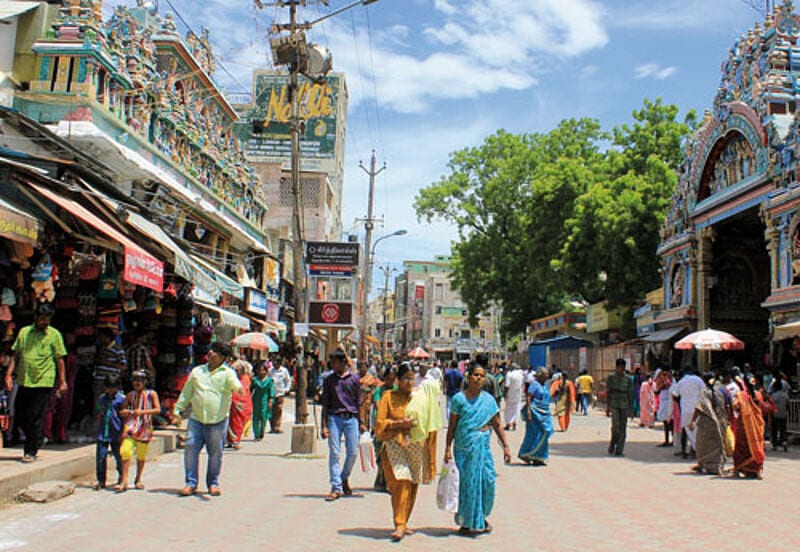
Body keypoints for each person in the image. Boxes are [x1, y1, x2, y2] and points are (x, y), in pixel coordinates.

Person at [444, 362, 511, 536]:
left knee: (487, 480)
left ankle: (480, 515)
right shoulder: (459, 399)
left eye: (482, 376)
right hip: (464, 448)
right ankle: (467, 521)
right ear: (468, 376)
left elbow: (497, 424)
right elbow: (452, 426)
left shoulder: (488, 401)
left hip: (482, 448)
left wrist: (506, 446)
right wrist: (447, 448)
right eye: (475, 375)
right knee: (467, 485)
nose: (478, 378)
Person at [375, 363, 436, 541]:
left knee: (412, 484)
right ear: (398, 380)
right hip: (394, 446)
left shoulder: (418, 397)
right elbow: (379, 424)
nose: (410, 382)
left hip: (415, 447)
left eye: (412, 378)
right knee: (401, 481)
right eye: (406, 379)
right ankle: (399, 524)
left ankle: (404, 520)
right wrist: (398, 424)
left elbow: (429, 418)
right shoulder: (388, 397)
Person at [172, 342, 241, 496]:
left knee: (215, 453)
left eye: (215, 351)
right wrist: (178, 409)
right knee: (190, 449)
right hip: (196, 419)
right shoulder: (197, 371)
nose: (210, 352)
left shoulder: (228, 373)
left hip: (218, 421)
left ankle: (213, 483)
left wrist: (240, 389)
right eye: (211, 349)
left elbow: (235, 385)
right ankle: (190, 483)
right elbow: (186, 392)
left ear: (222, 357)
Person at [4, 302, 67, 462]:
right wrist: (8, 375)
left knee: (36, 416)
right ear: (36, 318)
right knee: (19, 414)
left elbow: (60, 360)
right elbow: (15, 355)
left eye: (48, 319)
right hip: (24, 379)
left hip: (43, 381)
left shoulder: (54, 335)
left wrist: (63, 381)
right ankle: (38, 438)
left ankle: (30, 451)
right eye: (42, 318)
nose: (45, 322)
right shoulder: (24, 332)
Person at [320, 349, 361, 501]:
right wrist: (324, 426)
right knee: (335, 453)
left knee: (353, 452)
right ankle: (336, 487)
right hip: (334, 419)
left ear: (343, 362)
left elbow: (358, 402)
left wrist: (362, 423)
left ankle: (344, 477)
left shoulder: (354, 379)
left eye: (335, 362)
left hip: (351, 419)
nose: (332, 365)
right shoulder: (329, 380)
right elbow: (325, 404)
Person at [118, 371, 160, 492]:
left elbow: (157, 409)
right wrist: (125, 412)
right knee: (125, 451)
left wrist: (142, 412)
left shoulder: (152, 394)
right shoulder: (130, 395)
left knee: (141, 455)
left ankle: (138, 479)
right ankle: (124, 480)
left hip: (145, 427)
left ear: (145, 382)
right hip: (131, 426)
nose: (137, 383)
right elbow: (123, 409)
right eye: (135, 380)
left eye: (139, 380)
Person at [687, 373, 727, 475]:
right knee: (719, 444)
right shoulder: (721, 391)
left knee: (703, 445)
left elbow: (699, 408)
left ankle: (706, 465)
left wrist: (692, 421)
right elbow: (728, 405)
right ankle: (717, 465)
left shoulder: (704, 393)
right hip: (721, 421)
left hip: (707, 423)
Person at [95, 373, 125, 490]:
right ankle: (101, 480)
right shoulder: (102, 398)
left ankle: (122, 477)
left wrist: (123, 432)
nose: (110, 390)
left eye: (112, 387)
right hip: (103, 432)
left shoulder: (121, 399)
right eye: (108, 387)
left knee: (119, 456)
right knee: (101, 457)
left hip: (116, 432)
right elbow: (99, 413)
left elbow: (124, 417)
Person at [519, 367, 554, 465]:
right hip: (535, 413)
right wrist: (529, 412)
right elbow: (529, 398)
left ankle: (540, 457)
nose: (547, 376)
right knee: (535, 434)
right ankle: (528, 454)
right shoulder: (534, 384)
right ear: (540, 375)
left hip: (544, 413)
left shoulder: (545, 385)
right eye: (546, 374)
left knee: (546, 432)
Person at [732, 377, 766, 479]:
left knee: (741, 447)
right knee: (757, 445)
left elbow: (735, 406)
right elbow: (762, 407)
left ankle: (739, 469)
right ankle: (756, 470)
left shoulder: (741, 396)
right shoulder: (759, 395)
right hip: (756, 426)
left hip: (745, 426)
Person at [373, 366, 397, 493]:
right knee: (380, 455)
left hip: (393, 427)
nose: (390, 382)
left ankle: (388, 482)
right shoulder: (379, 390)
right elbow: (378, 405)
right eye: (388, 379)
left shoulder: (397, 390)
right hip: (381, 427)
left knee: (391, 455)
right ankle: (381, 480)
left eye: (393, 379)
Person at [672, 368, 706, 457]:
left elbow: (675, 395)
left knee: (685, 430)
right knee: (697, 430)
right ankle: (695, 450)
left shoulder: (681, 381)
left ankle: (684, 452)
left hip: (685, 409)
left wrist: (680, 403)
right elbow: (705, 392)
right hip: (697, 409)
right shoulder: (698, 380)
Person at [94, 327, 127, 407]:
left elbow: (123, 367)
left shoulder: (118, 349)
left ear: (107, 337)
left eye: (102, 337)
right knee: (98, 405)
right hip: (99, 381)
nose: (100, 339)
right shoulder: (102, 348)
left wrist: (108, 363)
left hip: (110, 382)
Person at [606, 359, 632, 457]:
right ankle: (613, 443)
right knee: (616, 427)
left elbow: (630, 393)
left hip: (624, 404)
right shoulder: (611, 377)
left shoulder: (628, 379)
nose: (621, 369)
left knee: (623, 428)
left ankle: (619, 450)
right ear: (616, 367)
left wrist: (631, 409)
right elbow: (608, 392)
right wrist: (607, 407)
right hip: (614, 404)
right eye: (620, 367)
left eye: (623, 367)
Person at [227, 361, 253, 449]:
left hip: (243, 406)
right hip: (232, 405)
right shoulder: (232, 379)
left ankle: (235, 440)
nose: (237, 372)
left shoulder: (246, 379)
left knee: (240, 424)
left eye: (239, 371)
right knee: (232, 423)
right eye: (236, 371)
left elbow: (246, 392)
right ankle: (232, 441)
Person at [250, 363, 274, 441]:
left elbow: (271, 391)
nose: (261, 372)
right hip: (256, 399)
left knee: (264, 417)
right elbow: (250, 390)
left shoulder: (269, 380)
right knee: (255, 418)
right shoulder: (254, 380)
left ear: (266, 371)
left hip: (265, 400)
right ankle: (256, 434)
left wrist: (270, 400)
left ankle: (261, 432)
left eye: (263, 370)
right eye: (260, 370)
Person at [268, 359, 291, 433]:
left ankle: (277, 426)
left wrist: (287, 389)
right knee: (271, 410)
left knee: (279, 409)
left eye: (277, 363)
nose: (275, 364)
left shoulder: (284, 371)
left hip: (280, 392)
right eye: (274, 363)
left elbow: (288, 380)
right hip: (271, 393)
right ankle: (272, 426)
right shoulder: (270, 370)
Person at [653, 368, 673, 446]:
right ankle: (668, 440)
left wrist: (660, 389)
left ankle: (669, 440)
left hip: (667, 402)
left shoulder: (666, 379)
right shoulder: (665, 378)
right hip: (664, 401)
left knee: (668, 422)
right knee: (668, 422)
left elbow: (666, 384)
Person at [502, 363, 524, 431]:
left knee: (508, 409)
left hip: (510, 393)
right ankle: (515, 422)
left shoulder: (510, 374)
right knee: (516, 408)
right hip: (518, 393)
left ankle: (508, 423)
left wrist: (505, 394)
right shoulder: (521, 374)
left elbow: (507, 385)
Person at [769, 380, 789, 452]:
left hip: (775, 414)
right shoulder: (785, 395)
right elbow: (787, 405)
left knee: (774, 429)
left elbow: (771, 405)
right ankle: (784, 441)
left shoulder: (773, 396)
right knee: (783, 428)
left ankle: (775, 445)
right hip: (783, 414)